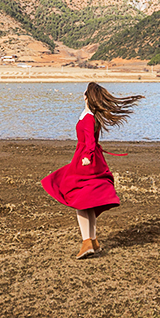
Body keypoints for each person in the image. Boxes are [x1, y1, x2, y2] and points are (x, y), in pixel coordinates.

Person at [40, 81, 143, 259]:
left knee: (78, 199)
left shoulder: (88, 118)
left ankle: (87, 241)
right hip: (87, 158)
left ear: (86, 97)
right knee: (86, 201)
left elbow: (89, 141)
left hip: (86, 160)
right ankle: (93, 241)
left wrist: (87, 156)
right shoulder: (88, 115)